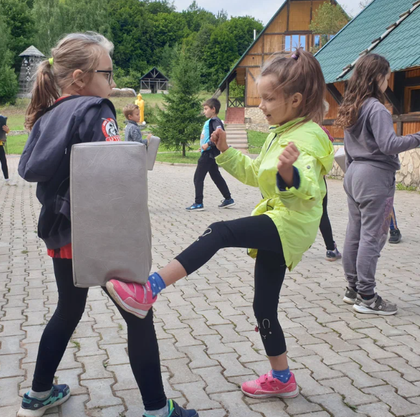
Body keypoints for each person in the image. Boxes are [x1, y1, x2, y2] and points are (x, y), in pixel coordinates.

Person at [107, 50, 334, 399]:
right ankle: (282, 377)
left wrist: (291, 176)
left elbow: (310, 185)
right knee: (264, 306)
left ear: (296, 99)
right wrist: (226, 150)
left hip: (290, 222)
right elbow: (258, 175)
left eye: (269, 98)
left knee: (220, 230)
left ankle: (149, 289)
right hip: (280, 221)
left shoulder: (307, 136)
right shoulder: (282, 129)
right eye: (261, 98)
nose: (262, 106)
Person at [16, 32, 197, 417]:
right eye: (108, 74)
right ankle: (156, 409)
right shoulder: (95, 108)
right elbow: (113, 173)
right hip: (99, 229)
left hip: (60, 231)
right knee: (138, 311)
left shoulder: (48, 114)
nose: (113, 84)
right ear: (81, 77)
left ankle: (38, 394)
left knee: (68, 309)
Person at [335, 53, 420, 316]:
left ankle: (352, 288)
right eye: (387, 77)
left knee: (355, 232)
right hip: (375, 177)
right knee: (373, 236)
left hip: (353, 174)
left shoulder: (353, 105)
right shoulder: (376, 108)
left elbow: (349, 148)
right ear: (378, 77)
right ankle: (367, 296)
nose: (388, 82)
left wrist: (353, 171)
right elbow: (389, 145)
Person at [186, 98, 235, 211]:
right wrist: (203, 146)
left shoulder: (215, 121)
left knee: (198, 178)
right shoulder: (212, 121)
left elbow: (218, 136)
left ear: (213, 109)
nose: (204, 111)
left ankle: (198, 203)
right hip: (210, 153)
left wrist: (207, 145)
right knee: (216, 176)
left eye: (206, 109)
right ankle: (228, 198)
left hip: (208, 155)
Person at [318, 125, 342, 261]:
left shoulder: (292, 128)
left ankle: (287, 250)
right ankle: (331, 249)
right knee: (322, 213)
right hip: (317, 178)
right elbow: (330, 142)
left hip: (294, 177)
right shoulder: (320, 130)